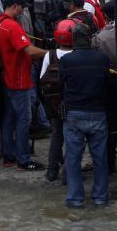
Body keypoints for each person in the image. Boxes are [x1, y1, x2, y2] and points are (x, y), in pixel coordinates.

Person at [0, 0, 47, 171]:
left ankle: (10, 155)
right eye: (21, 7)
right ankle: (23, 159)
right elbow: (29, 50)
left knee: (9, 119)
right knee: (24, 119)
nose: (23, 11)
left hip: (7, 77)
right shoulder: (12, 26)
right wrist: (50, 54)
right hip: (18, 79)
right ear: (15, 6)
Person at [60, 22, 111, 208]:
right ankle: (100, 197)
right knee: (100, 158)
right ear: (89, 39)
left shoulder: (66, 61)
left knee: (73, 159)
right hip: (97, 112)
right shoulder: (102, 60)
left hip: (75, 113)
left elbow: (61, 84)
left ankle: (75, 198)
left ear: (73, 40)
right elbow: (107, 84)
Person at [39, 18, 75, 183]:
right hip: (72, 103)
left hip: (53, 104)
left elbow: (42, 79)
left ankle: (52, 171)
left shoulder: (50, 55)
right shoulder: (77, 55)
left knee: (56, 136)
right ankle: (68, 175)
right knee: (71, 139)